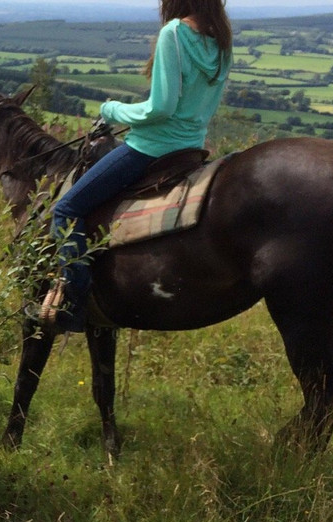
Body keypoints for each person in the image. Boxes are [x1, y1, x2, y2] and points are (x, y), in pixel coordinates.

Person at [48, 0, 232, 332]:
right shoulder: (221, 38)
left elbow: (160, 109)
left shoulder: (174, 33)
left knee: (65, 209)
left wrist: (111, 111)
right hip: (191, 149)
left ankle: (73, 305)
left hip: (152, 148)